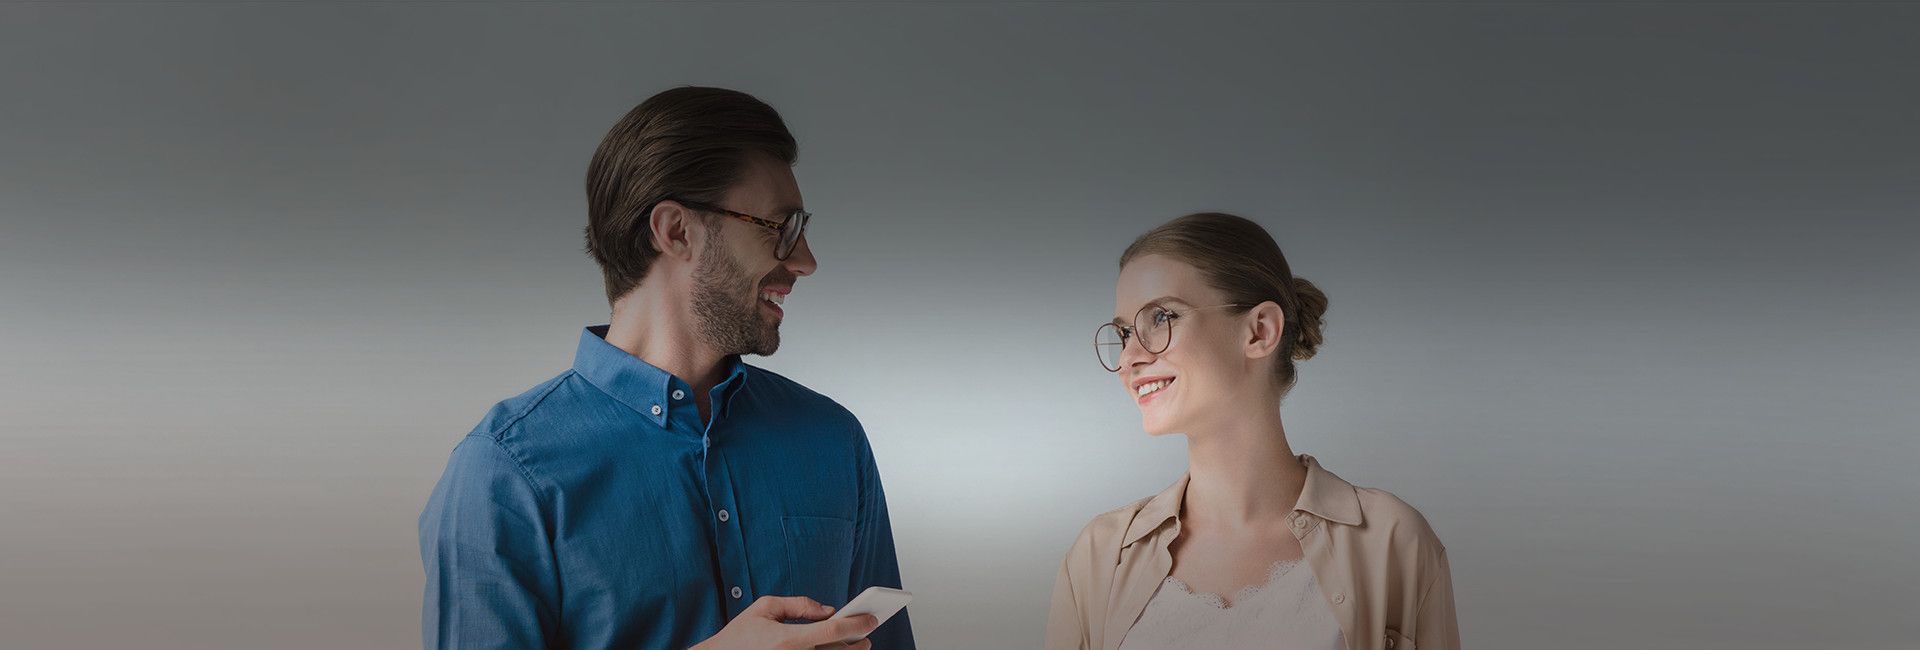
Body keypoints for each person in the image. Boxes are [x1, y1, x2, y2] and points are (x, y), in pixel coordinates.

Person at [419, 86, 915, 650]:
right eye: (781, 228)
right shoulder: (503, 473)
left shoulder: (834, 441)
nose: (805, 261)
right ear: (676, 230)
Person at [1045, 213, 1459, 650]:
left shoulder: (1394, 542)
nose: (1129, 357)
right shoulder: (1099, 557)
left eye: (1161, 317)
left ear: (1260, 331)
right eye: (1125, 332)